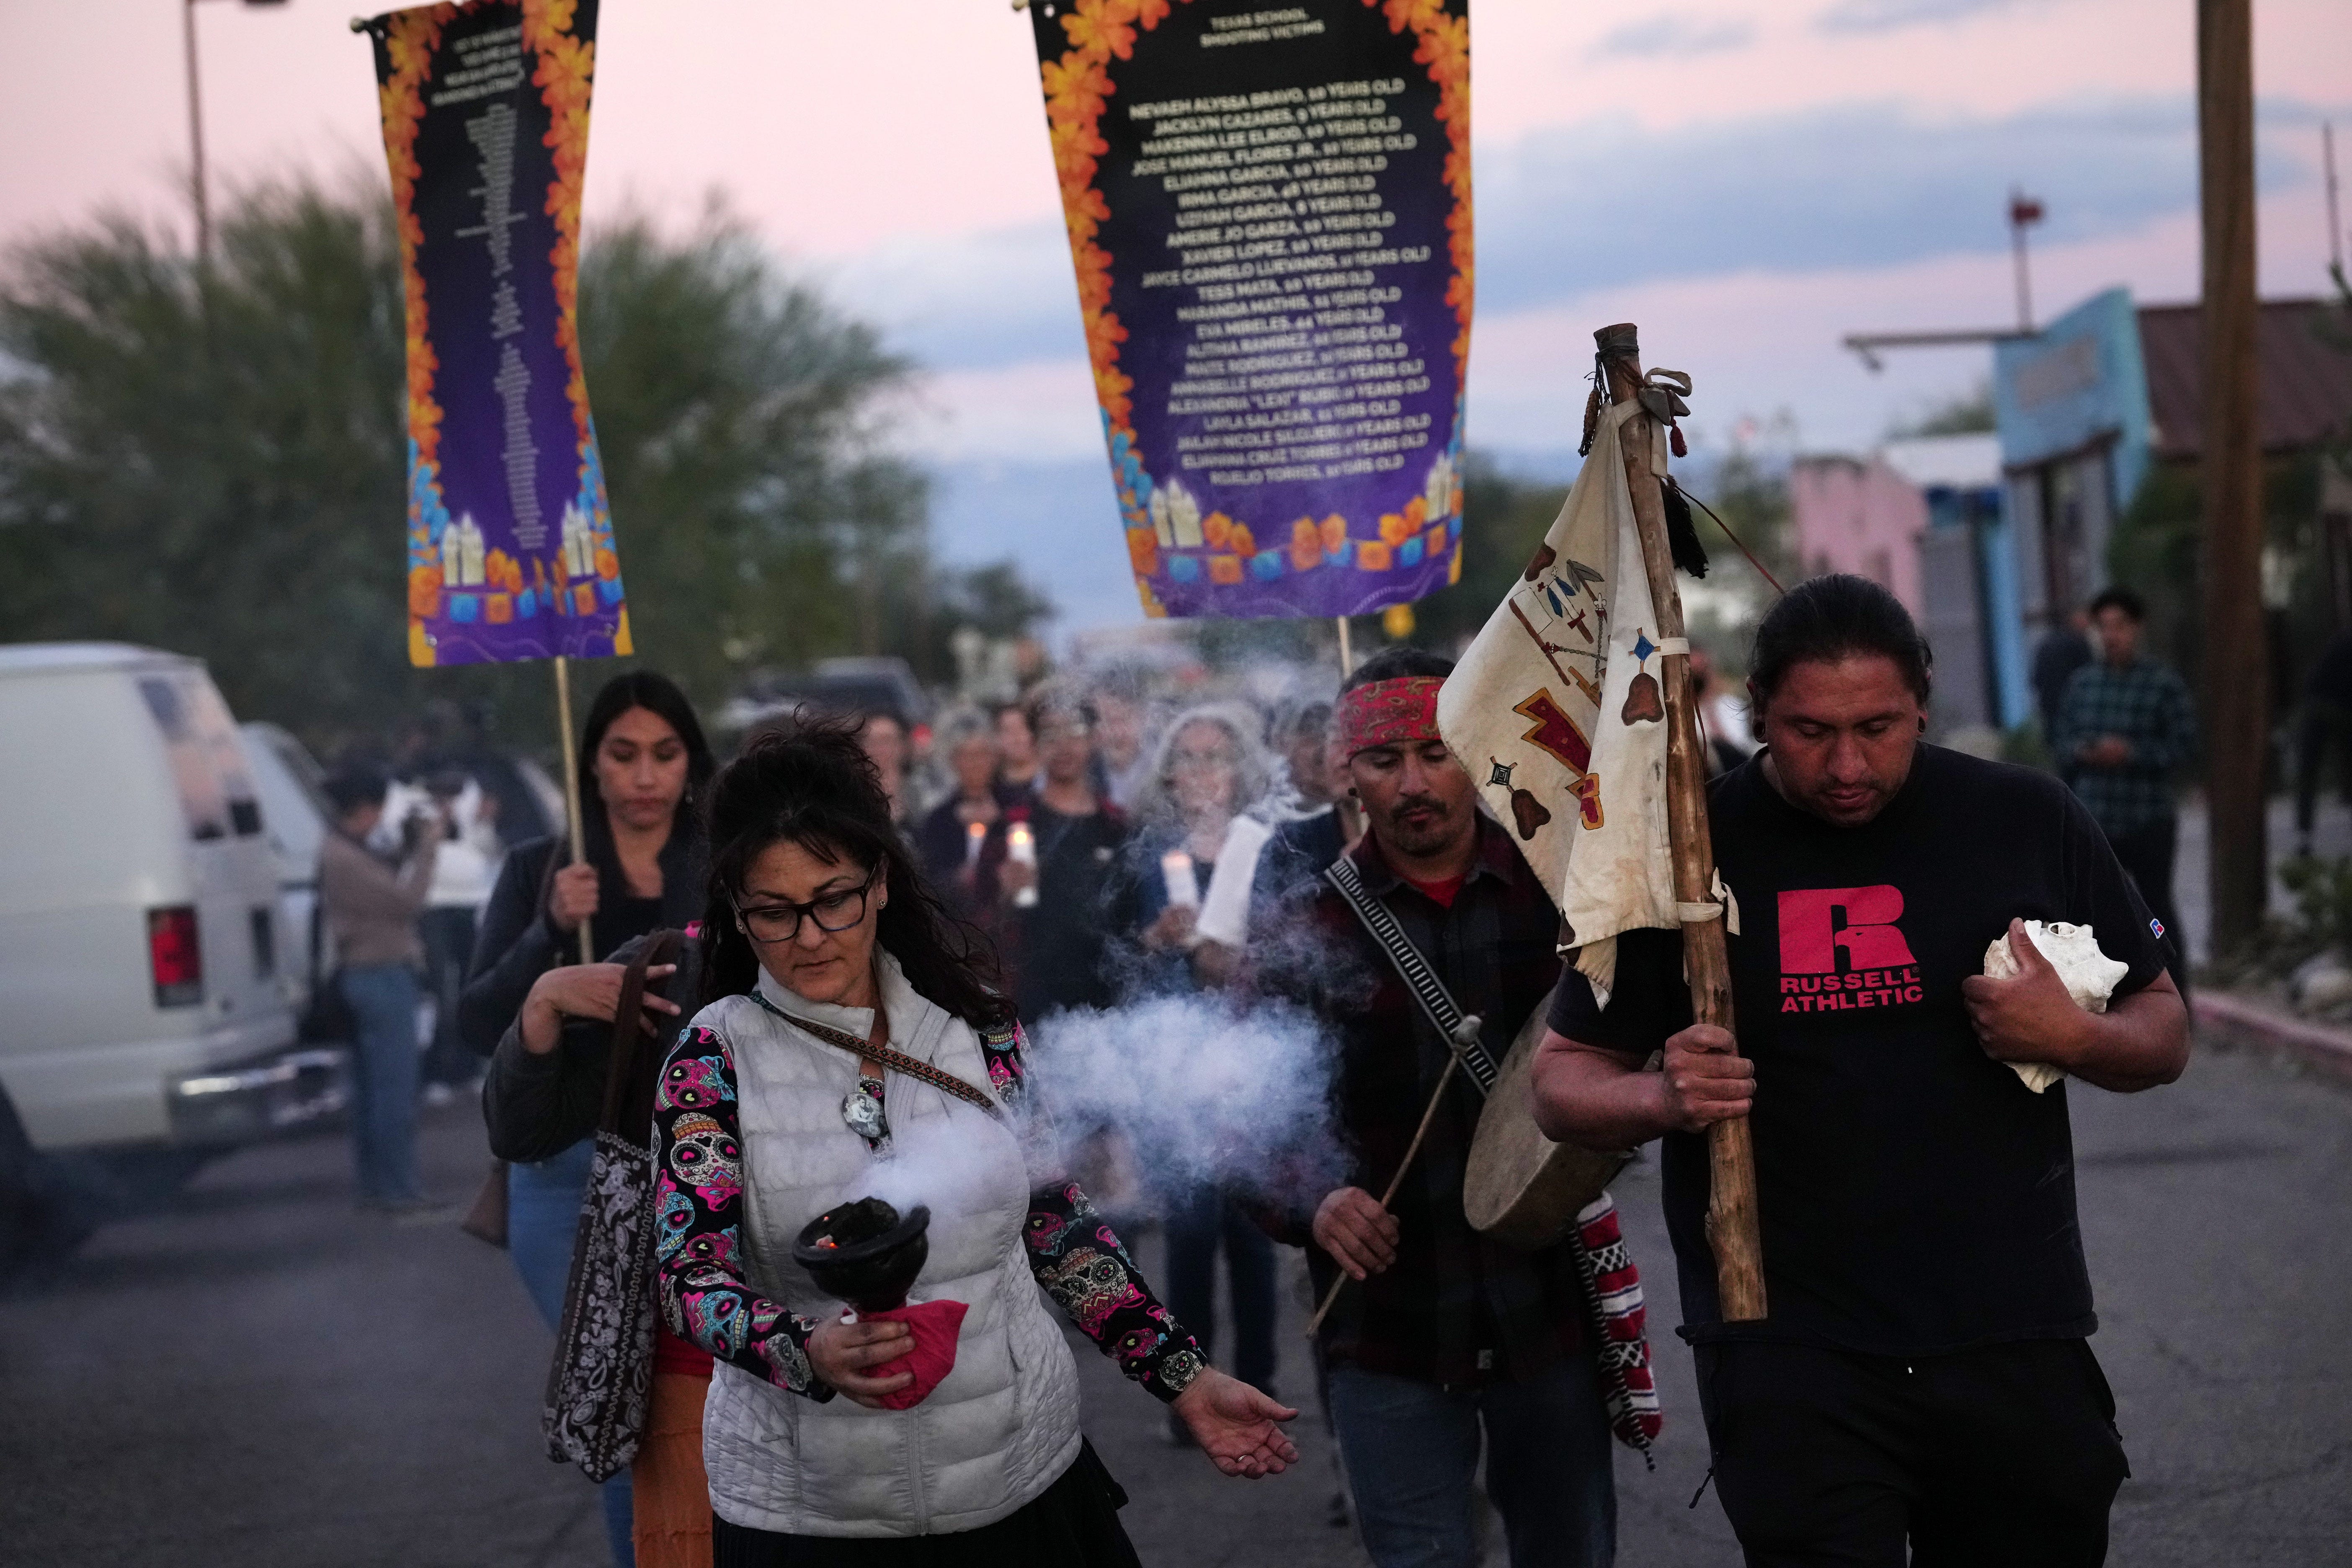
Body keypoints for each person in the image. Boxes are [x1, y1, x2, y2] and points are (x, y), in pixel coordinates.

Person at [1536, 574, 2190, 1568]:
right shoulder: (1678, 851)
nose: (1847, 763)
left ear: (1921, 700)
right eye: (1808, 731)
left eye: (1878, 726)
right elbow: (1561, 1079)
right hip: (1789, 1346)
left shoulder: (2026, 816)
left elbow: (2164, 1027)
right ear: (1756, 711)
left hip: (2010, 1326)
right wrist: (1659, 1097)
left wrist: (2073, 1034)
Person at [652, 718, 1297, 1562]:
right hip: (812, 1517)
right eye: (773, 912)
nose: (809, 937)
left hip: (1021, 1483)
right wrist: (802, 1346)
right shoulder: (714, 1059)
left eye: (833, 898)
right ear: (735, 912)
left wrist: (1182, 1375)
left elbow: (1056, 1228)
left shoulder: (979, 1030)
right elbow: (688, 1276)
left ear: (880, 882)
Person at [1253, 646, 1622, 1568]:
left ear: (1475, 750)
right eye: (1385, 761)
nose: (1414, 783)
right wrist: (1315, 1201)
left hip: (1549, 1314)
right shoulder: (1302, 921)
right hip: (1389, 1332)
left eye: (1436, 752)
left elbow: (1635, 1050)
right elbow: (1247, 1116)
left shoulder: (1562, 888)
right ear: (1350, 773)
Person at [461, 668, 715, 1568]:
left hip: (705, 1165)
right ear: (591, 766)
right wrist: (546, 947)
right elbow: (474, 1025)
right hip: (566, 1175)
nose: (645, 776)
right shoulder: (542, 868)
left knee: (723, 1407)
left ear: (691, 764)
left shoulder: (724, 857)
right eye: (623, 755)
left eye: (664, 753)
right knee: (626, 1408)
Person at [1107, 702, 1282, 1429]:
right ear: (1169, 774)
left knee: (1253, 1231)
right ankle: (1191, 1390)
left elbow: (1292, 953)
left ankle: (1263, 1386)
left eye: (1217, 756)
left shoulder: (1265, 847)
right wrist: (1154, 940)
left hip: (1250, 1062)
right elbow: (1118, 962)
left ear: (1239, 770)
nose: (1203, 771)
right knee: (1188, 1226)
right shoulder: (1149, 856)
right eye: (1189, 757)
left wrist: (1242, 961)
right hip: (1176, 1062)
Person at [2050, 586, 2197, 988]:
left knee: (2156, 913)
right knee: (2096, 916)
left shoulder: (2162, 684)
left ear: (2138, 628)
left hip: (2148, 817)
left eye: (2120, 626)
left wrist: (2131, 754)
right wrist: (2087, 752)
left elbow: (2183, 746)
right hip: (2098, 821)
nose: (2112, 635)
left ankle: (2175, 996)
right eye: (2104, 627)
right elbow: (2061, 742)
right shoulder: (2082, 685)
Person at [319, 764, 441, 1214]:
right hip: (380, 976)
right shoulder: (345, 858)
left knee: (374, 1091)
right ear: (367, 808)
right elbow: (407, 902)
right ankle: (398, 1190)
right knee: (394, 1090)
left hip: (370, 975)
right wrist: (427, 850)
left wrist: (408, 846)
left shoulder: (344, 850)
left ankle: (377, 1187)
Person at [995, 681, 1130, 1026]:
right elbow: (977, 926)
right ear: (1034, 743)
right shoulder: (1013, 824)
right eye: (1051, 734)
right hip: (1034, 1009)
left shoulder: (1117, 826)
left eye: (1076, 731)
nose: (1064, 746)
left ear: (1095, 738)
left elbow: (1133, 924)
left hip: (1110, 1008)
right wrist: (1005, 896)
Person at [913, 708, 1006, 921]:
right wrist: (957, 880)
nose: (977, 763)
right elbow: (930, 879)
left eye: (983, 754)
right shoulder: (939, 820)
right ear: (954, 760)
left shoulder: (1013, 810)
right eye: (967, 756)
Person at [2294, 628, 2352, 856]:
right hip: (2326, 708)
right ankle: (2305, 833)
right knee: (2309, 771)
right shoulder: (2344, 646)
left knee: (2308, 773)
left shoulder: (2340, 643)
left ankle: (2304, 833)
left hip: (2320, 707)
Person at [2033, 606, 2095, 756]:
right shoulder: (2079, 645)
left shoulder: (2046, 644)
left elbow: (2035, 679)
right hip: (2073, 712)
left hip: (2051, 708)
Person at [855, 710, 915, 833]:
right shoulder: (852, 797)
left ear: (903, 746)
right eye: (873, 742)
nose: (881, 750)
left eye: (887, 741)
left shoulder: (925, 795)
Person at [994, 701, 1041, 799]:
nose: (1017, 739)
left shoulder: (1051, 780)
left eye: (1022, 729)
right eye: (1008, 731)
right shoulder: (990, 789)